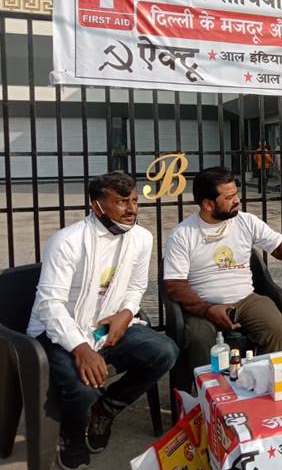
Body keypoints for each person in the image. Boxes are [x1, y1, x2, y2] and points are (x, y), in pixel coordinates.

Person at [26, 171, 179, 470]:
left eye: (134, 200)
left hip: (107, 326)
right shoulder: (67, 242)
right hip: (59, 332)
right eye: (121, 202)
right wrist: (81, 348)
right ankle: (70, 435)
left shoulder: (142, 238)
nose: (132, 209)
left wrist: (125, 314)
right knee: (83, 387)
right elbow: (49, 304)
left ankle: (107, 409)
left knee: (165, 352)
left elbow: (136, 287)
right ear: (96, 206)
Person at [163, 166, 282, 373]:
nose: (237, 201)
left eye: (236, 194)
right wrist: (207, 309)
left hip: (245, 300)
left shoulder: (246, 221)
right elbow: (175, 285)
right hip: (203, 306)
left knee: (276, 327)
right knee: (199, 338)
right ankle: (207, 395)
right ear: (207, 204)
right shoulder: (183, 234)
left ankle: (265, 381)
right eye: (229, 197)